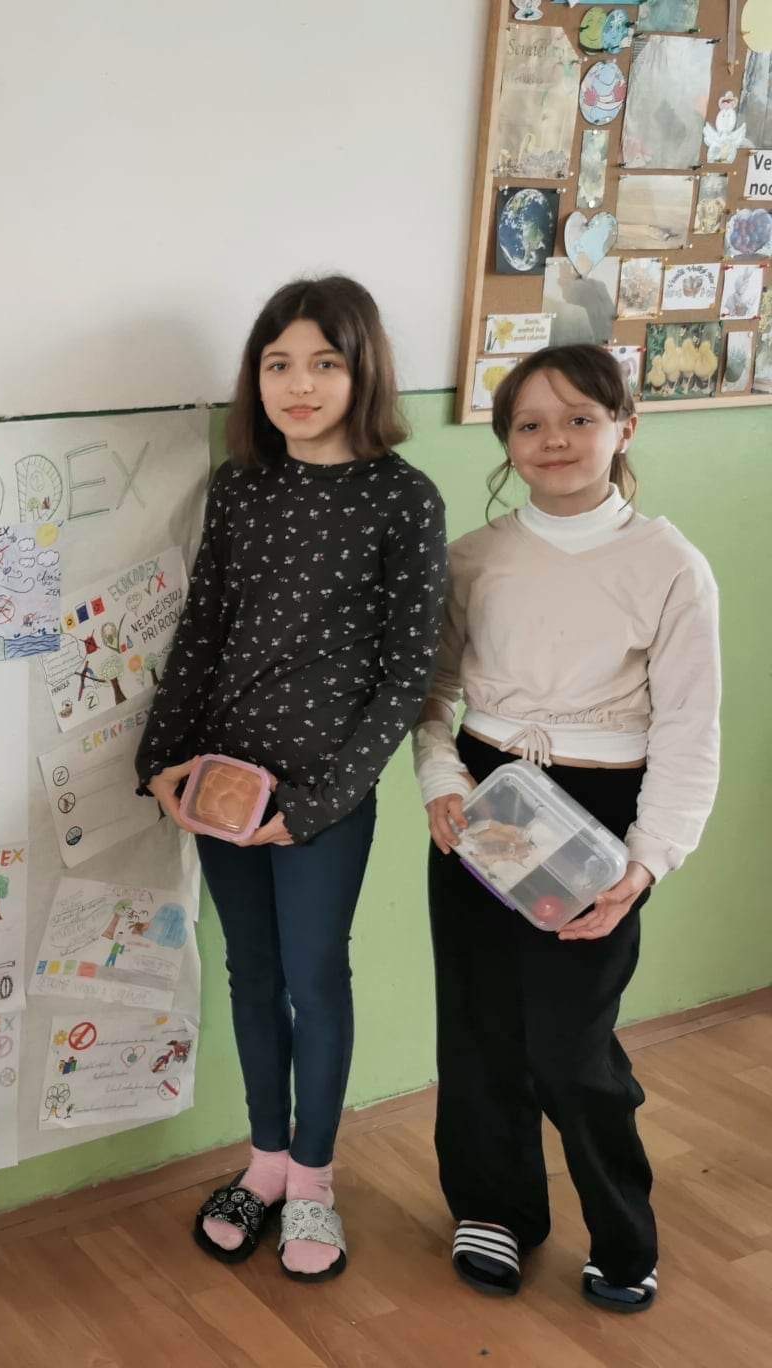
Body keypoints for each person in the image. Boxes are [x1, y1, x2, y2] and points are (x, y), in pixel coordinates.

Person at [136, 277, 447, 1282]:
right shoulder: (242, 487)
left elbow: (406, 678)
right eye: (278, 365)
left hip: (323, 799)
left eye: (324, 363)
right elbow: (204, 629)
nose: (299, 385)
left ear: (365, 373)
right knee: (251, 973)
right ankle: (265, 1163)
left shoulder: (404, 498)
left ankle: (314, 1180)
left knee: (315, 977)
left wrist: (316, 807)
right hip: (225, 783)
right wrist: (161, 760)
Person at [415, 344, 721, 1312]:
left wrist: (648, 861)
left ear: (625, 427)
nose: (555, 440)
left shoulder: (670, 566)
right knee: (477, 1025)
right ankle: (495, 1209)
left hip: (600, 818)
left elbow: (689, 726)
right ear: (506, 440)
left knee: (571, 1045)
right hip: (485, 804)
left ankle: (622, 1231)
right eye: (531, 424)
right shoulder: (474, 557)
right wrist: (440, 780)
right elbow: (432, 692)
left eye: (580, 418)